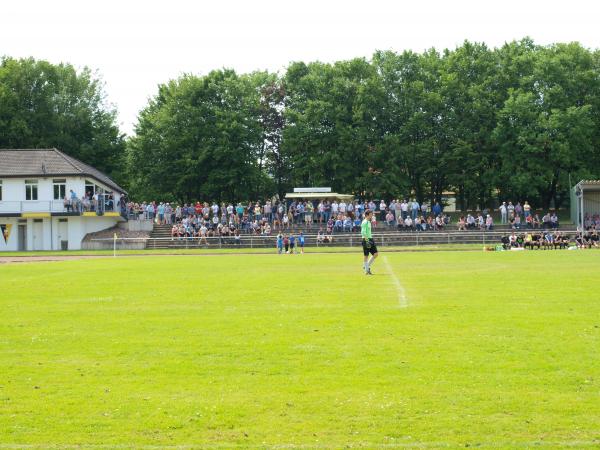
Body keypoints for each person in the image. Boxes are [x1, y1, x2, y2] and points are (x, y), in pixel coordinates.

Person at [361, 209, 378, 275]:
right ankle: (367, 270)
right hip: (366, 240)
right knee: (366, 255)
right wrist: (367, 241)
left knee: (375, 254)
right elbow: (363, 232)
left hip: (370, 239)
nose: (372, 215)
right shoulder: (364, 222)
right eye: (371, 214)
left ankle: (366, 266)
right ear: (367, 215)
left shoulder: (368, 222)